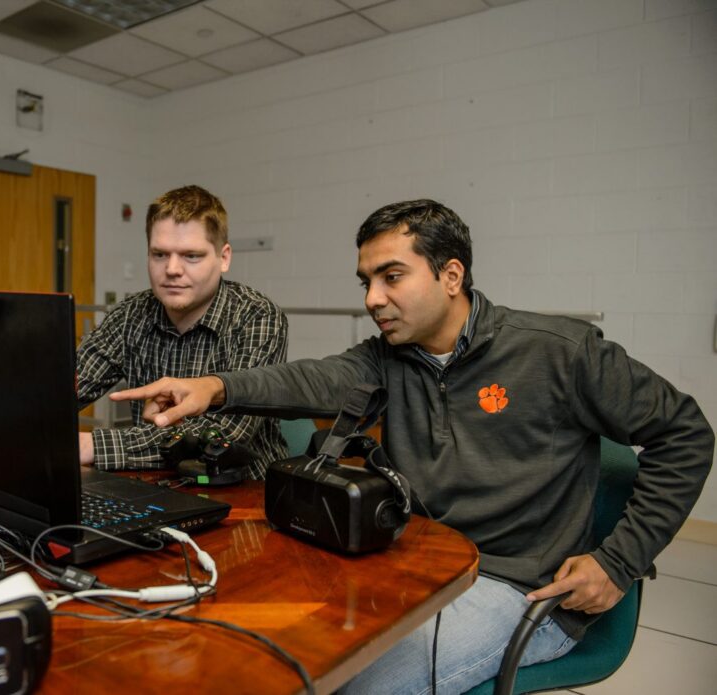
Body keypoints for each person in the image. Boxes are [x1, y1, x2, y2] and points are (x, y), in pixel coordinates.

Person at [111, 199, 714, 694]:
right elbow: (307, 379)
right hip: (418, 561)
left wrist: (619, 561)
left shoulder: (560, 351)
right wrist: (214, 387)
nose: (372, 298)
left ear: (451, 276)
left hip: (519, 587)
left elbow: (686, 434)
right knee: (270, 651)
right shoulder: (386, 358)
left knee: (349, 686)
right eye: (366, 281)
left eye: (391, 277)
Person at [76, 185, 290, 478]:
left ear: (223, 258)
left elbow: (225, 436)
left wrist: (94, 446)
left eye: (191, 256)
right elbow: (68, 386)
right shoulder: (130, 315)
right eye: (160, 254)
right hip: (155, 482)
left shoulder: (257, 317)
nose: (172, 269)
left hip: (243, 492)